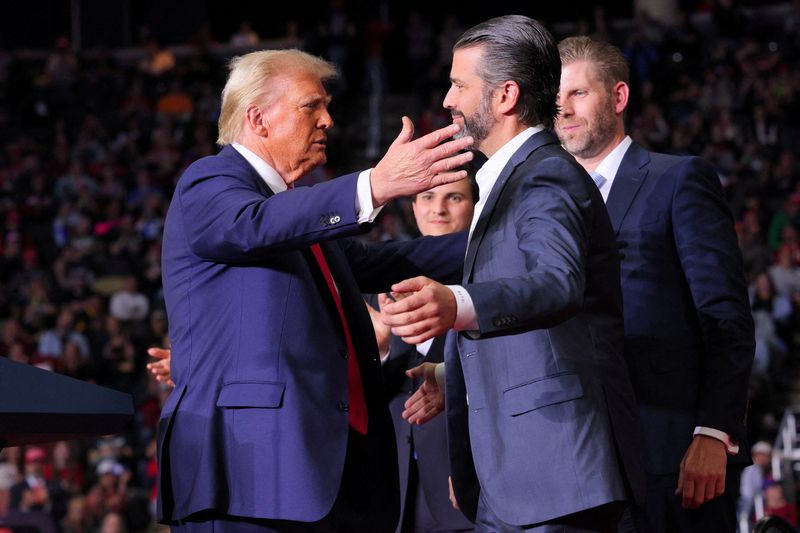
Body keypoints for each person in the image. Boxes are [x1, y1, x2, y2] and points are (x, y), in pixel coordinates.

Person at [157, 49, 474, 532]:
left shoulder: (295, 211)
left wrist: (498, 237)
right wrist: (374, 185)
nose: (327, 120)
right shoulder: (210, 181)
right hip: (251, 476)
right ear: (258, 119)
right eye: (311, 106)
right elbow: (252, 226)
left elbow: (380, 261)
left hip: (325, 475)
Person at [381, 15, 645, 531]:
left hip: (556, 478)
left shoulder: (545, 175)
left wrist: (455, 305)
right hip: (512, 480)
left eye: (459, 85)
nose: (447, 101)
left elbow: (557, 282)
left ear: (504, 96)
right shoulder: (504, 182)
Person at [554, 36, 755, 532]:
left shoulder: (678, 180)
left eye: (578, 93)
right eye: (555, 99)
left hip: (673, 463)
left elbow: (726, 315)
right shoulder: (546, 206)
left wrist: (714, 432)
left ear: (619, 98)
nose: (564, 109)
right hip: (576, 469)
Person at [376, 175, 480, 533]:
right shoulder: (383, 279)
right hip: (396, 488)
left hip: (462, 483)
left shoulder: (488, 283)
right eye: (428, 196)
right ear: (414, 206)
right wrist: (384, 348)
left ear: (475, 206)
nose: (438, 208)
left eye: (454, 197)